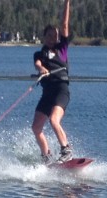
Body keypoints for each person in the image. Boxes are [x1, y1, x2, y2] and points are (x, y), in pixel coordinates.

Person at [32, 0, 72, 165]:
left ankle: (66, 150)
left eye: (54, 36)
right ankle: (46, 157)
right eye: (49, 35)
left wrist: (66, 2)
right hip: (47, 94)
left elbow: (64, 23)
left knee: (54, 120)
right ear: (44, 37)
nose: (52, 38)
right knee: (36, 128)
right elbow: (38, 64)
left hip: (61, 91)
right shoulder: (39, 54)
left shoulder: (61, 48)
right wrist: (42, 70)